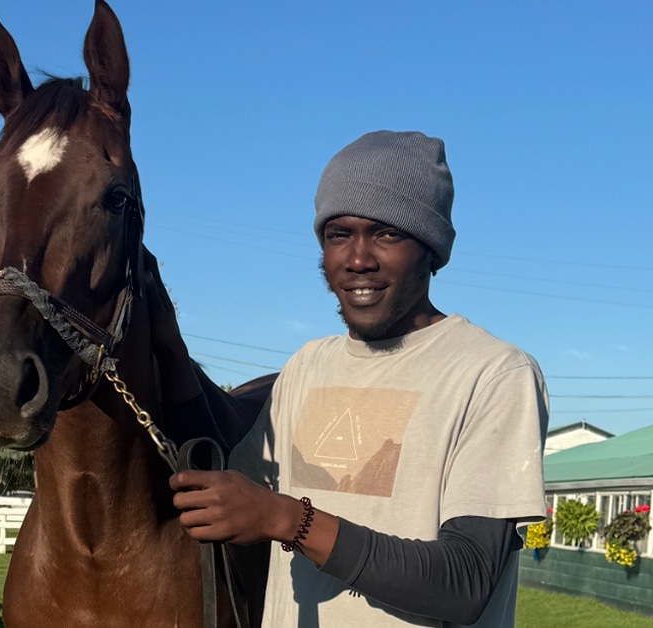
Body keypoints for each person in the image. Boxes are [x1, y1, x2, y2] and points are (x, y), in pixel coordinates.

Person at [170, 130, 549, 627]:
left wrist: (285, 518)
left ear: (430, 251)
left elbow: (464, 583)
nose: (357, 259)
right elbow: (233, 497)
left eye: (387, 233)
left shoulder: (492, 373)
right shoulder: (307, 365)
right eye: (338, 234)